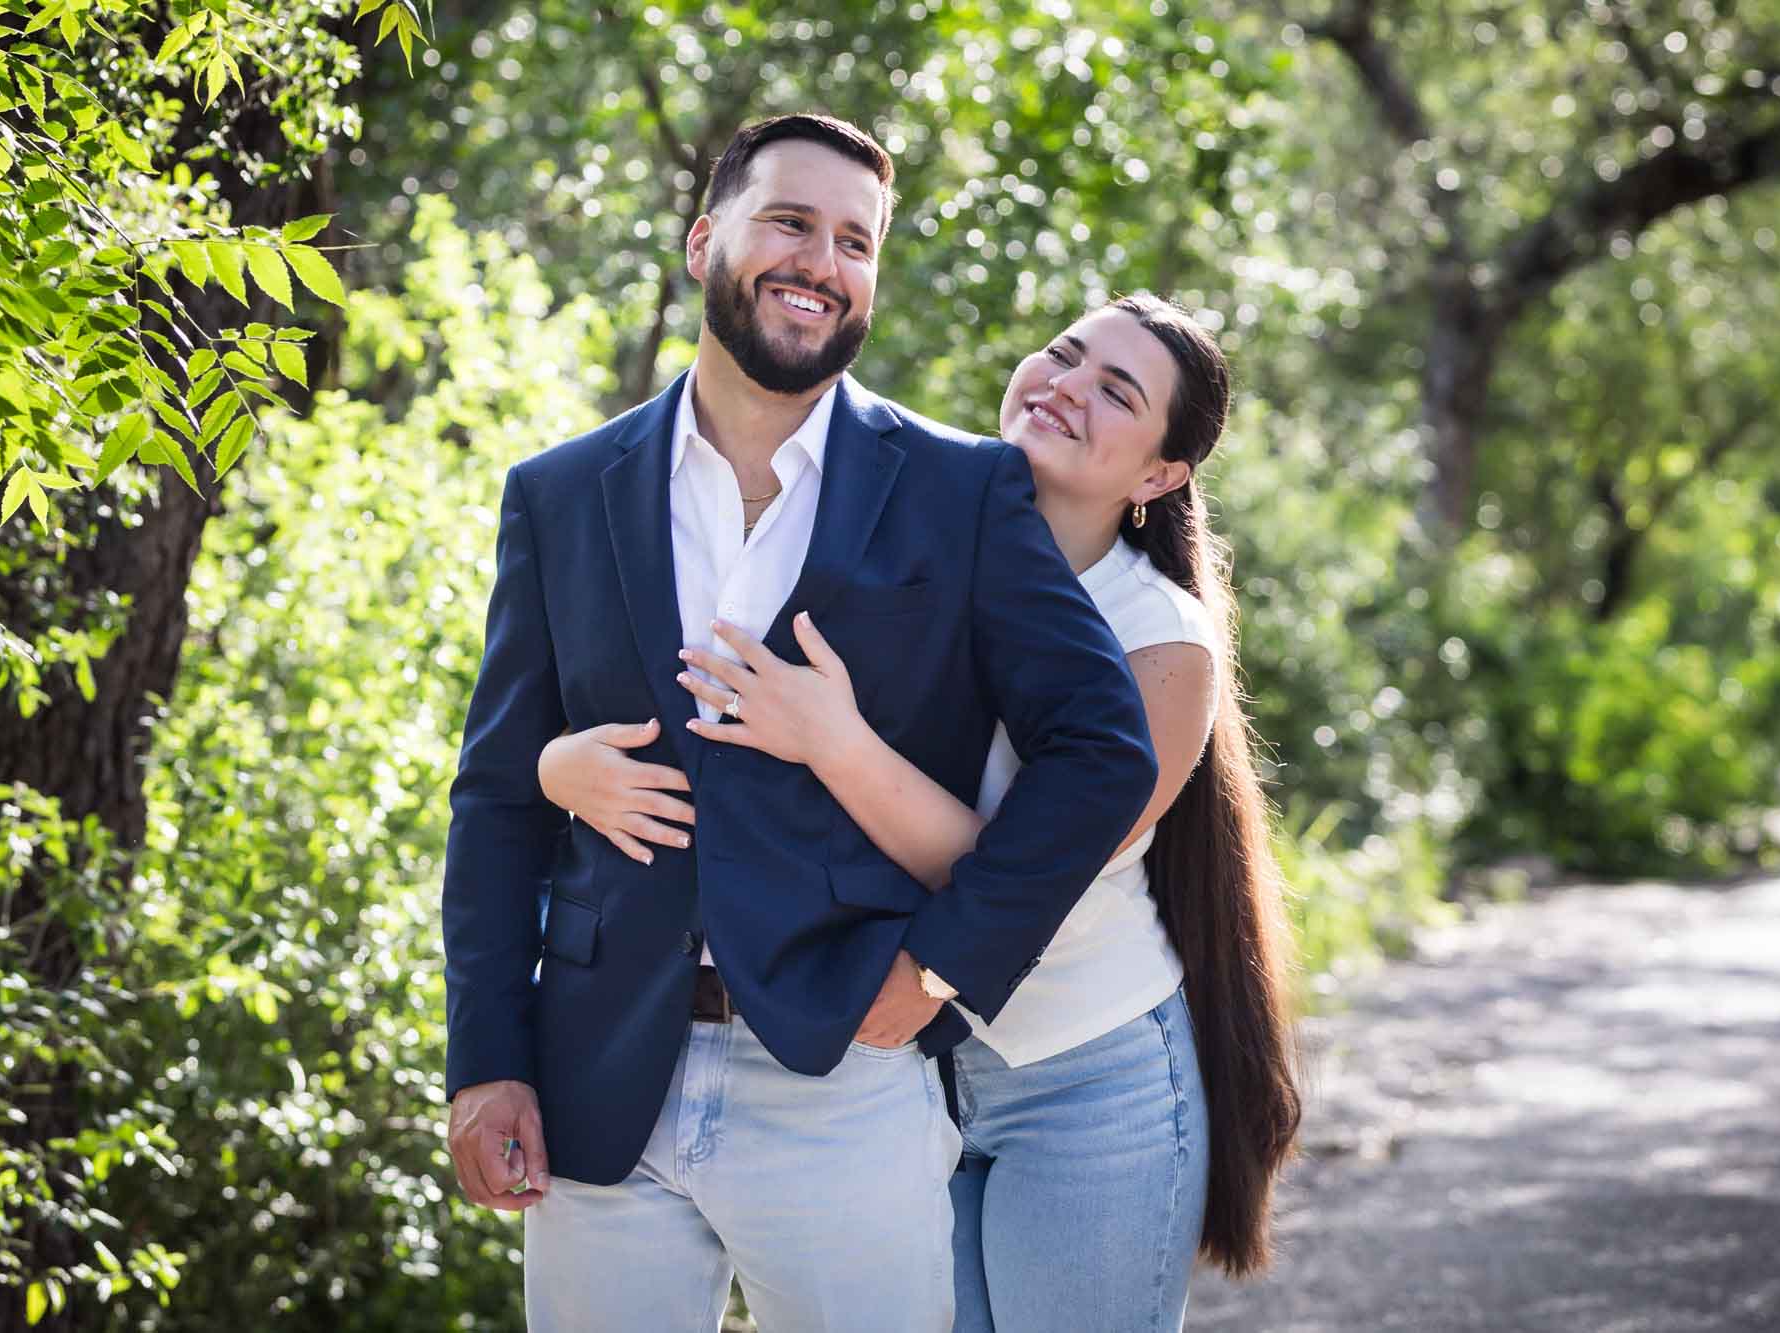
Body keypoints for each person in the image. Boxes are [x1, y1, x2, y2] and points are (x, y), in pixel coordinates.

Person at [440, 113, 1160, 1333]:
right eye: (789, 221)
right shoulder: (559, 494)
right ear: (703, 239)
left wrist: (942, 965)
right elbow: (500, 797)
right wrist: (485, 1059)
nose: (820, 260)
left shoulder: (960, 490)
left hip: (839, 1077)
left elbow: (1102, 756)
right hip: (596, 1074)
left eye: (854, 241)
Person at [542, 294, 1303, 1330]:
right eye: (1065, 355)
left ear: (1159, 475)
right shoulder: (910, 539)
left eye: (1116, 391)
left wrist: (836, 741)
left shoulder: (1160, 642)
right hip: (899, 1061)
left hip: (1078, 1076)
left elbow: (1025, 867)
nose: (1066, 386)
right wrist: (554, 765)